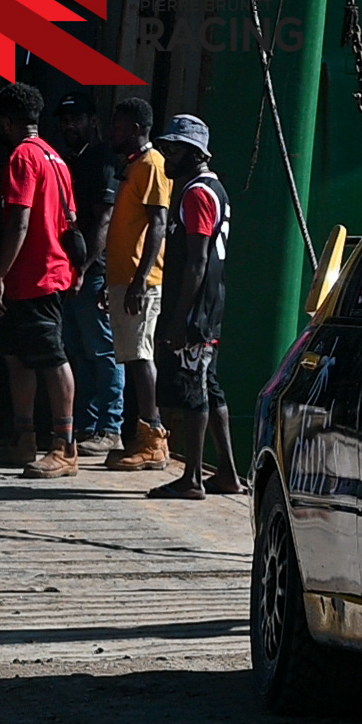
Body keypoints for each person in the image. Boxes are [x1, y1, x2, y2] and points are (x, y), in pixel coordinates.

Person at [0, 82, 80, 478]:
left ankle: (65, 445)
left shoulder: (22, 158)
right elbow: (70, 219)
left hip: (36, 275)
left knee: (51, 357)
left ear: (7, 121)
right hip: (47, 272)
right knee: (18, 357)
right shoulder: (56, 157)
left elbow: (20, 221)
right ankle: (24, 437)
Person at [148, 114, 241, 500]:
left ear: (191, 154)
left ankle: (192, 478)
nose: (166, 159)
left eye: (172, 151)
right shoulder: (211, 187)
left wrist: (177, 318)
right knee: (211, 387)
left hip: (197, 310)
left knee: (194, 391)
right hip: (209, 305)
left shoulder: (197, 193)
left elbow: (196, 261)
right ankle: (228, 473)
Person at [102, 97, 173, 472]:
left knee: (142, 355)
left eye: (117, 125)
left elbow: (158, 223)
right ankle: (140, 434)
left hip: (138, 281)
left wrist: (140, 280)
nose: (111, 131)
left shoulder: (152, 165)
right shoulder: (132, 167)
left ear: (134, 128)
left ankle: (154, 438)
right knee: (131, 356)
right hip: (122, 278)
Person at [53, 91, 124, 455]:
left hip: (94, 271)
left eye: (76, 119)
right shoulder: (70, 160)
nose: (69, 126)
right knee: (79, 350)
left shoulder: (102, 161)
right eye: (65, 120)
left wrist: (86, 267)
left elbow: (105, 219)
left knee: (103, 350)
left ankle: (110, 427)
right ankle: (87, 423)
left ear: (92, 122)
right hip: (70, 270)